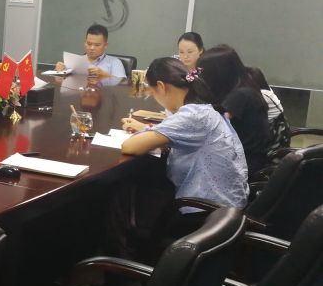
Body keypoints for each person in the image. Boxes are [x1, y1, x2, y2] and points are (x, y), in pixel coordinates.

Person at [120, 57, 248, 209]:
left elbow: (129, 146)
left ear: (161, 86)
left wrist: (147, 133)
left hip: (207, 210)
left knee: (129, 195)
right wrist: (147, 130)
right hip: (225, 206)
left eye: (153, 93)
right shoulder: (203, 109)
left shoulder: (193, 115)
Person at [197, 45, 271, 177]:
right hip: (243, 159)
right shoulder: (244, 87)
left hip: (243, 165)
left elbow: (212, 127)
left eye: (203, 73)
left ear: (218, 73)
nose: (201, 77)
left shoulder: (240, 95)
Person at [54, 23, 126, 81]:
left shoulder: (115, 62)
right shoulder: (76, 61)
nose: (92, 48)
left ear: (105, 45)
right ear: (85, 43)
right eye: (89, 44)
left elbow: (123, 84)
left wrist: (104, 75)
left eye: (97, 45)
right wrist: (59, 70)